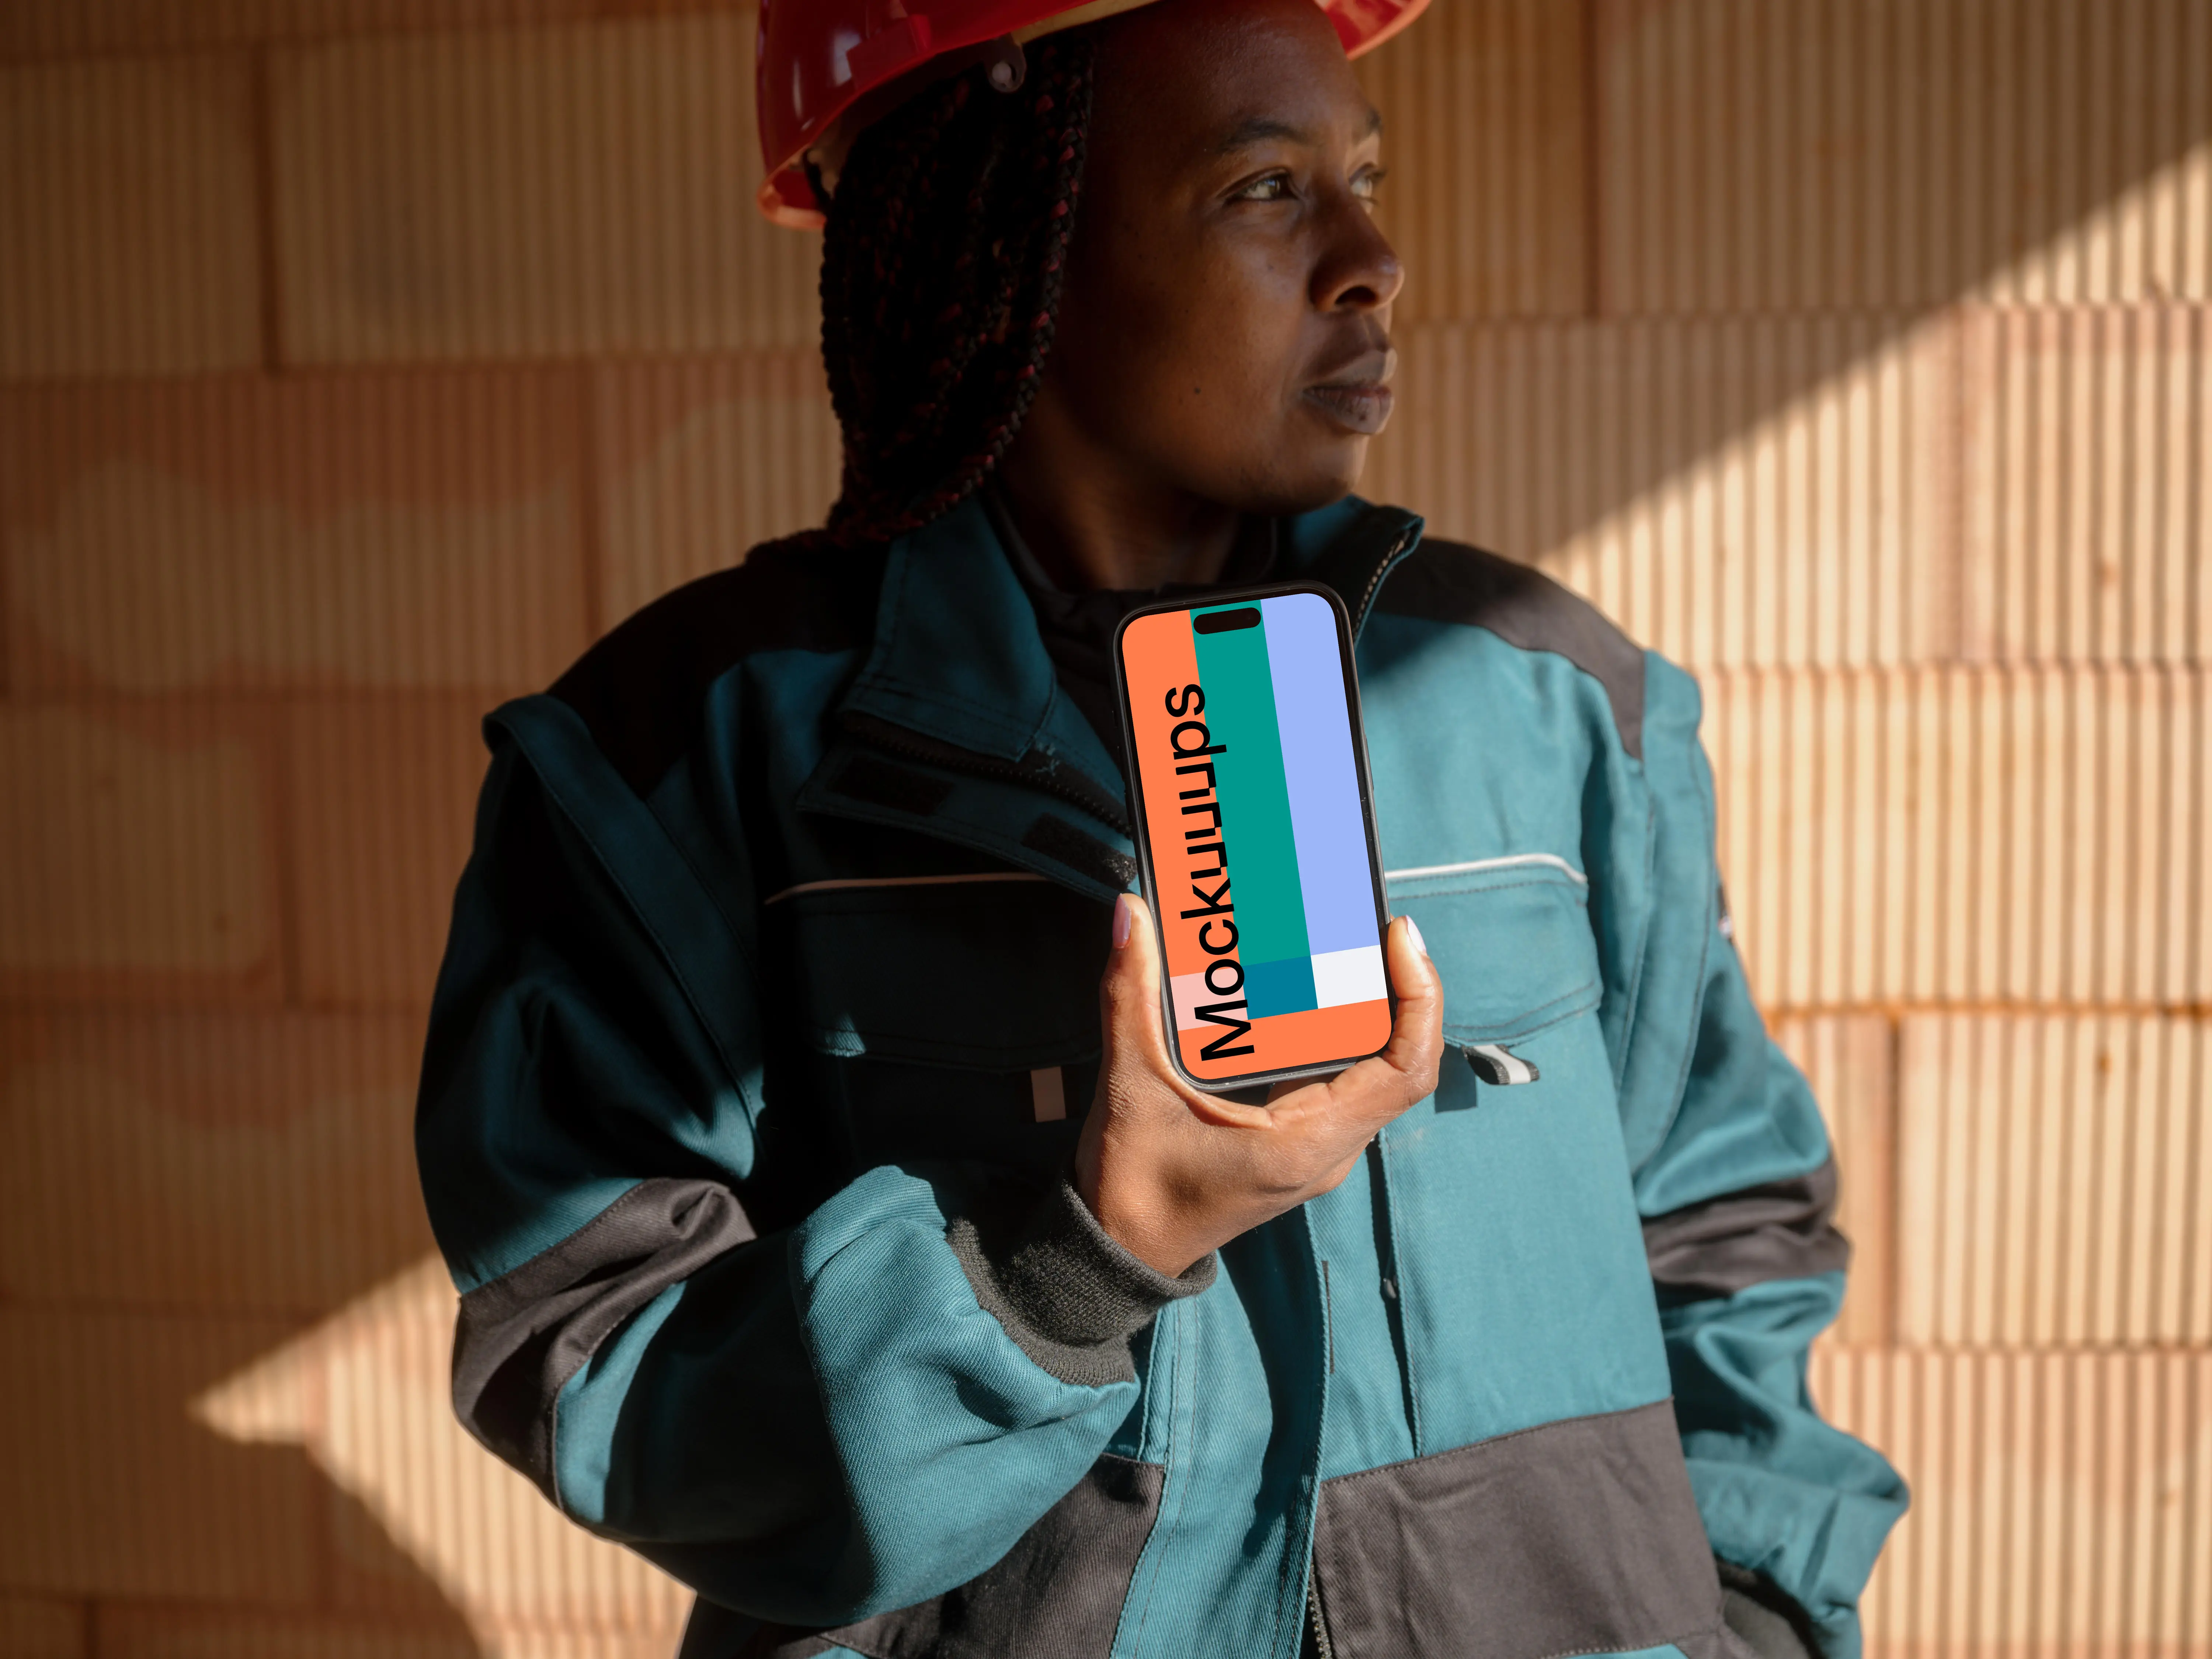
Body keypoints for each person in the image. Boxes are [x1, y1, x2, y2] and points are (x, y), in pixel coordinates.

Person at [413, 1, 1909, 1654]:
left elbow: (1728, 1220)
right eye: (1265, 187)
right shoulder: (677, 756)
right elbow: (595, 1354)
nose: (1373, 262)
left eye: (1363, 178)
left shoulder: (1542, 694)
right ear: (1011, 242)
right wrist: (1078, 1261)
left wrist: (1759, 1611)